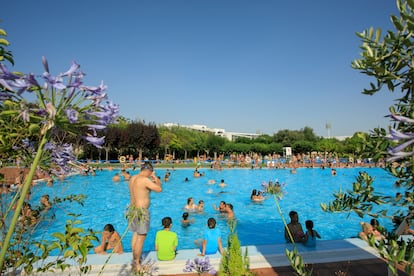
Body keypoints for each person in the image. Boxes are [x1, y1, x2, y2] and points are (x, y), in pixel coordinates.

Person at [128, 161, 162, 271]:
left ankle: (135, 260)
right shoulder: (144, 180)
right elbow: (159, 189)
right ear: (148, 171)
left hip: (132, 210)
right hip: (142, 212)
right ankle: (137, 264)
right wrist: (155, 178)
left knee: (135, 234)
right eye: (150, 172)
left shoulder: (133, 178)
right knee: (141, 238)